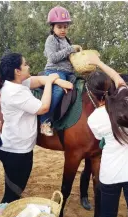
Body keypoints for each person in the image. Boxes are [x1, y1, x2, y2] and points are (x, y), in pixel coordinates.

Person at [0, 52, 72, 203]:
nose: (28, 66)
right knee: (12, 195)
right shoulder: (14, 92)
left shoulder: (16, 83)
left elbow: (38, 80)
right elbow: (44, 107)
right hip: (16, 153)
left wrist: (56, 80)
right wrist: (51, 83)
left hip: (16, 148)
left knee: (15, 189)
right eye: (25, 64)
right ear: (17, 71)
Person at [86, 54, 128, 217]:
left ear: (92, 94)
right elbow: (116, 76)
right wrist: (99, 62)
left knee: (107, 215)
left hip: (110, 174)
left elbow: (101, 139)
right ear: (110, 85)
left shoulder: (93, 119)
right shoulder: (127, 99)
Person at [40, 5, 82, 136]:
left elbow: (68, 58)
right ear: (52, 27)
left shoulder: (66, 41)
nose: (63, 30)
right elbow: (52, 57)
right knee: (58, 91)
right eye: (59, 27)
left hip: (69, 73)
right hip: (55, 71)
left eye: (65, 27)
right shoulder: (51, 39)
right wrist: (70, 49)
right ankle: (44, 121)